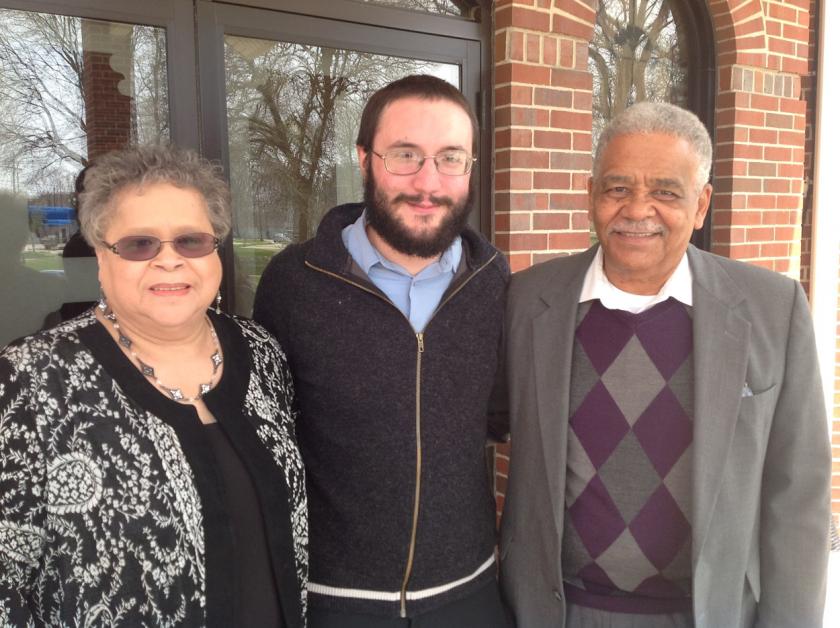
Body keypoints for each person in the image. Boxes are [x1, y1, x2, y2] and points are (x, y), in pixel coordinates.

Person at [499, 101, 831, 628]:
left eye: (665, 192)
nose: (637, 209)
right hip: (560, 610)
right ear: (591, 196)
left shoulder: (773, 309)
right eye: (617, 188)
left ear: (701, 206)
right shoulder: (526, 300)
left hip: (707, 614)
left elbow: (798, 496)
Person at [0, 145, 308, 626]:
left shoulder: (261, 351)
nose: (169, 261)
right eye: (140, 244)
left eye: (190, 241)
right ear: (102, 256)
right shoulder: (31, 381)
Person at [253, 74, 511, 628]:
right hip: (332, 598)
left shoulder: (493, 281)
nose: (428, 182)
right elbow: (267, 440)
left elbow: (499, 415)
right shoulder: (294, 282)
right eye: (405, 155)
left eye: (450, 158)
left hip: (468, 592)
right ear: (365, 158)